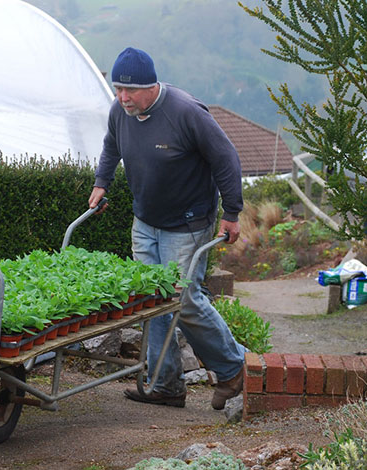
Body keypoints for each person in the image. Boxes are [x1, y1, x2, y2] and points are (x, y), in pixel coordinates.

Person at [88, 47, 246, 410]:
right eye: (117, 90)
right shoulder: (120, 112)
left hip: (187, 224)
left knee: (183, 300)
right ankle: (166, 384)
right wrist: (102, 183)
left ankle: (233, 369)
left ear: (150, 86)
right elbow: (112, 146)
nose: (123, 98)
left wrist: (232, 212)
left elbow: (225, 157)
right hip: (145, 221)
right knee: (152, 301)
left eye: (130, 91)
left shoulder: (185, 112)